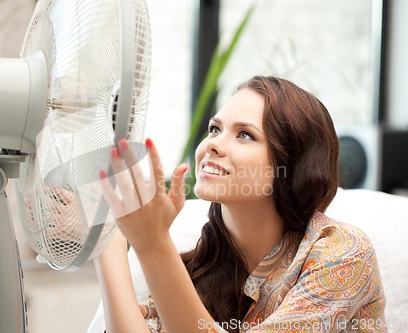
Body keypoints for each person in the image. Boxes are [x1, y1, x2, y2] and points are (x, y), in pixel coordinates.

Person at [93, 76, 386, 333]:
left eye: (244, 134)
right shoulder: (195, 272)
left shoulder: (344, 254)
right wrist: (106, 238)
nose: (213, 144)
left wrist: (154, 245)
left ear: (293, 165)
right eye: (214, 129)